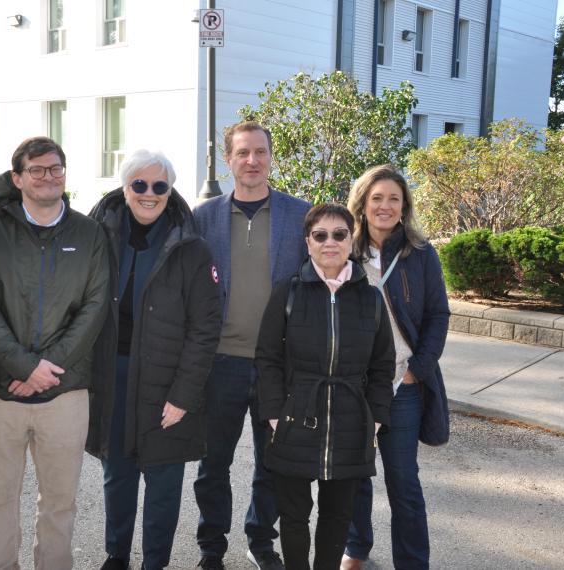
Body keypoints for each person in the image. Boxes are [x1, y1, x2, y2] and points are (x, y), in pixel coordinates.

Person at [0, 136, 109, 570]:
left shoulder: (90, 233)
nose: (49, 177)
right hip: (0, 392)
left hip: (65, 395)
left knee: (60, 504)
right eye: (37, 170)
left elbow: (94, 307)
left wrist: (47, 372)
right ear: (18, 178)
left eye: (56, 169)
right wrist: (25, 366)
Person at [85, 150, 222, 570]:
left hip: (168, 382)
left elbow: (205, 329)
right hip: (113, 377)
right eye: (139, 185)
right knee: (118, 474)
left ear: (170, 191)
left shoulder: (192, 249)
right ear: (125, 188)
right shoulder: (98, 236)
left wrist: (183, 395)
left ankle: (154, 562)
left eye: (159, 186)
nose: (149, 194)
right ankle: (117, 555)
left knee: (163, 481)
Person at [192, 120, 312, 570]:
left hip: (277, 365)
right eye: (242, 153)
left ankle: (261, 540)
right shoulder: (202, 217)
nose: (252, 161)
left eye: (260, 152)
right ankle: (211, 547)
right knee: (213, 464)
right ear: (228, 160)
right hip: (219, 363)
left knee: (273, 463)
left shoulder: (300, 215)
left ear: (270, 156)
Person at [255, 203, 396, 570]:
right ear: (308, 242)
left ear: (351, 241)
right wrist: (274, 413)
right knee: (294, 515)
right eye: (321, 235)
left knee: (337, 517)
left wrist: (376, 417)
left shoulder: (371, 298)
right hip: (296, 418)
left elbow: (383, 366)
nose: (329, 242)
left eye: (339, 234)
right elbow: (267, 357)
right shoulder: (287, 292)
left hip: (352, 422)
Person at [342, 165, 450, 570]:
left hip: (402, 388)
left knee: (403, 483)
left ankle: (412, 562)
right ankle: (356, 549)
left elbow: (439, 315)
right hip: (354, 385)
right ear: (362, 204)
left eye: (393, 199)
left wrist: (417, 371)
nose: (385, 206)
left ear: (404, 206)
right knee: (353, 478)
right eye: (377, 198)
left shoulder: (420, 253)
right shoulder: (345, 250)